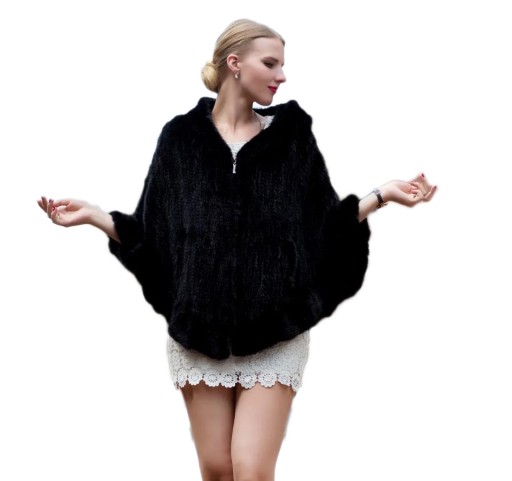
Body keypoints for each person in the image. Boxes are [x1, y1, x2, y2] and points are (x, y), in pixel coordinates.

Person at [38, 18, 437, 481]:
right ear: (234, 63)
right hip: (199, 334)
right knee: (216, 469)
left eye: (282, 65)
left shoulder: (292, 140)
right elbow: (154, 234)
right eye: (271, 63)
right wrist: (94, 216)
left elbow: (324, 226)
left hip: (275, 332)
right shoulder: (179, 140)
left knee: (250, 468)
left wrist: (382, 195)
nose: (281, 75)